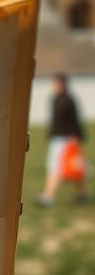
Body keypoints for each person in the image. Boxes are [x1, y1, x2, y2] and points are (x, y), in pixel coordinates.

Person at [37, 72, 89, 206]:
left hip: (65, 140)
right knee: (73, 166)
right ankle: (81, 194)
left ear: (62, 84)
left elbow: (74, 121)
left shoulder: (67, 100)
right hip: (59, 138)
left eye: (55, 83)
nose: (53, 86)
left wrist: (76, 138)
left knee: (56, 167)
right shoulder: (56, 99)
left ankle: (48, 197)